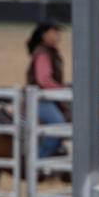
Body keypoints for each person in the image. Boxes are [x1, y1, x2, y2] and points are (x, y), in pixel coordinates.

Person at [26, 20, 67, 160]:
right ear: (45, 35)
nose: (58, 36)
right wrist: (63, 90)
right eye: (54, 32)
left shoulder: (49, 52)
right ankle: (39, 159)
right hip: (40, 98)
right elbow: (43, 80)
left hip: (46, 97)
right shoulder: (43, 53)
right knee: (58, 124)